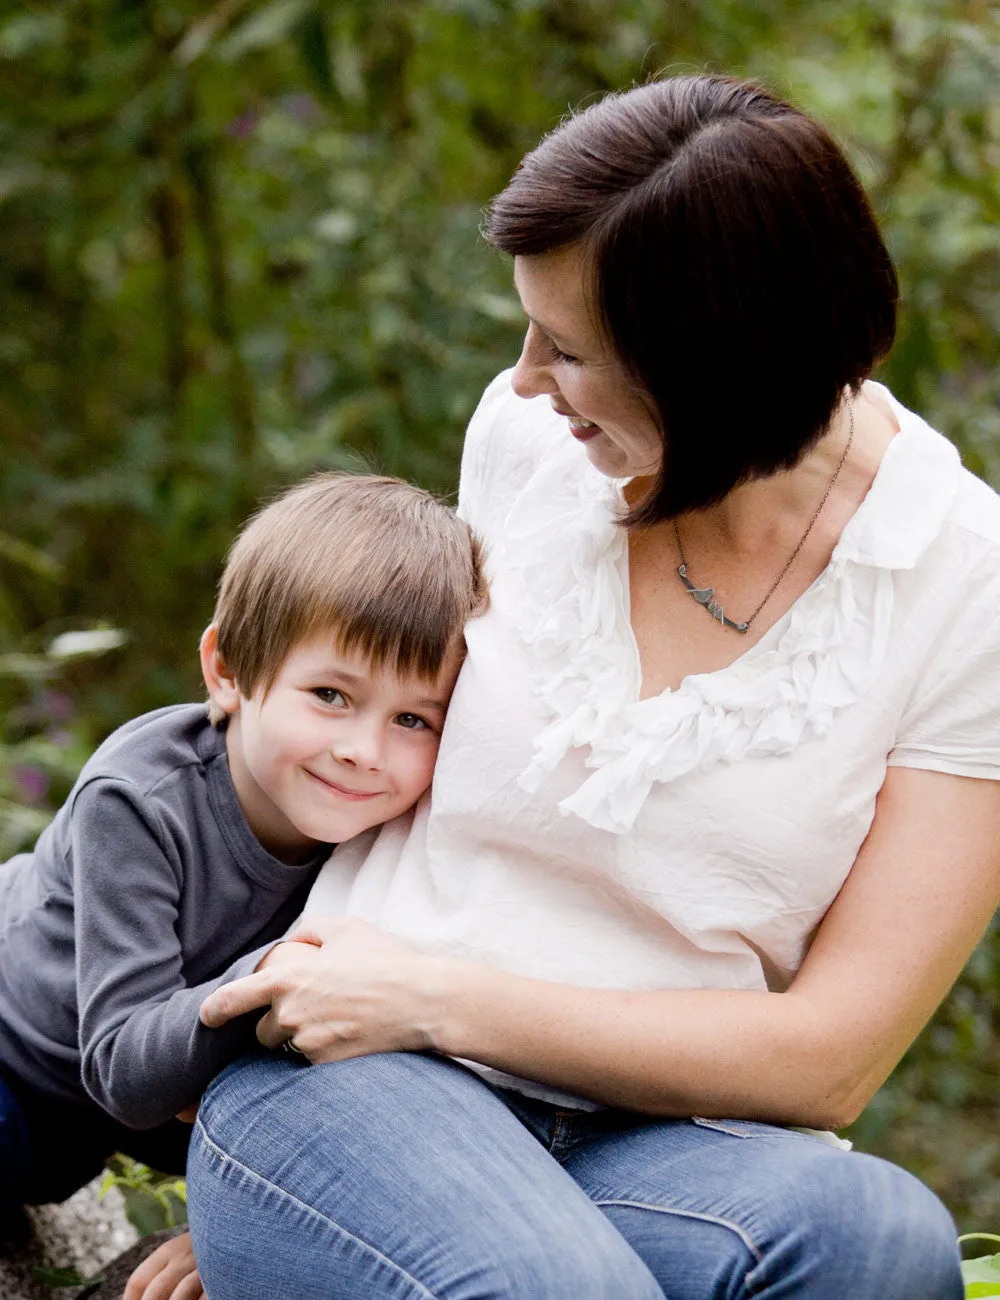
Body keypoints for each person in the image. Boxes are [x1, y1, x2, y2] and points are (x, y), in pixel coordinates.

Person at [177, 75, 1000, 1300]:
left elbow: (827, 1061)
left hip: (669, 1147)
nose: (521, 382)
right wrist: (313, 1216)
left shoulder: (967, 584)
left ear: (717, 373)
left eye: (567, 351)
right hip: (357, 1085)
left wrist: (439, 996)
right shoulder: (528, 446)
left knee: (880, 1237)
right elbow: (307, 728)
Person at [0, 473, 486, 1227]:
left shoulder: (388, 829)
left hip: (86, 1132)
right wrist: (263, 976)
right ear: (228, 672)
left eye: (415, 720)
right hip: (17, 1060)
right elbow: (126, 1068)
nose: (364, 751)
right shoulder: (139, 800)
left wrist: (230, 1223)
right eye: (331, 695)